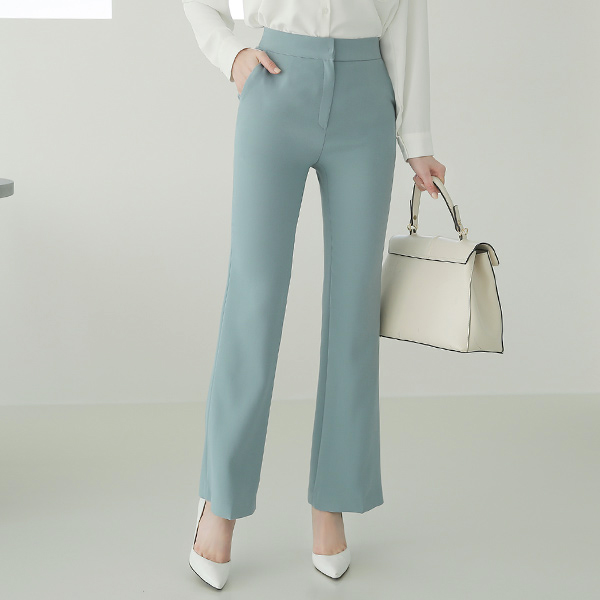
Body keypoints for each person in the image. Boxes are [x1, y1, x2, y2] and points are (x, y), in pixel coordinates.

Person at [181, 0, 446, 588]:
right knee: (254, 301)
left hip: (365, 96)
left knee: (354, 310)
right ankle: (219, 502)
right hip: (275, 83)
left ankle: (334, 502)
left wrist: (417, 138)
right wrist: (230, 55)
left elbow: (407, 16)